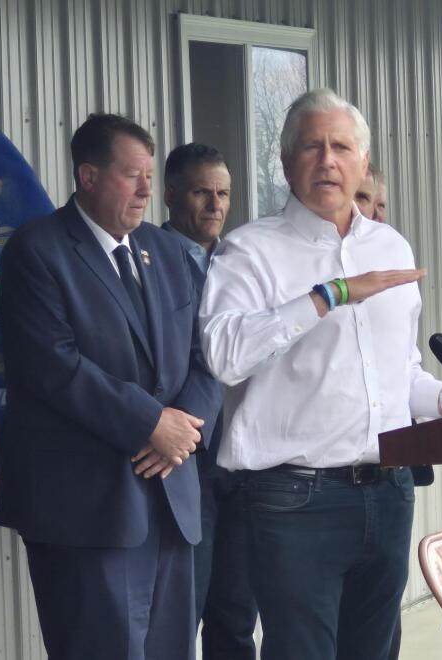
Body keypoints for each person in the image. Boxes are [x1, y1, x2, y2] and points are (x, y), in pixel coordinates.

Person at [199, 88, 442, 660]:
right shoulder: (250, 251)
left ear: (363, 164)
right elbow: (225, 357)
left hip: (389, 491)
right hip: (293, 501)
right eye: (312, 146)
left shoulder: (390, 245)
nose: (327, 159)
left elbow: (397, 376)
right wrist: (328, 296)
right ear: (286, 163)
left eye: (341, 147)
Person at [0, 113, 223, 660]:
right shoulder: (38, 250)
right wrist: (151, 423)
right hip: (88, 508)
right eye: (132, 174)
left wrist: (183, 431)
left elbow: (205, 355)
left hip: (171, 495)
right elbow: (54, 366)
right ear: (88, 176)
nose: (147, 189)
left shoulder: (165, 251)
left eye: (149, 174)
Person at [162, 143, 257, 660]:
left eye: (223, 194)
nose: (215, 205)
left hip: (241, 461)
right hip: (184, 462)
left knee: (237, 612)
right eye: (202, 192)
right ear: (172, 194)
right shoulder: (148, 256)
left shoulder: (242, 259)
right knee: (184, 610)